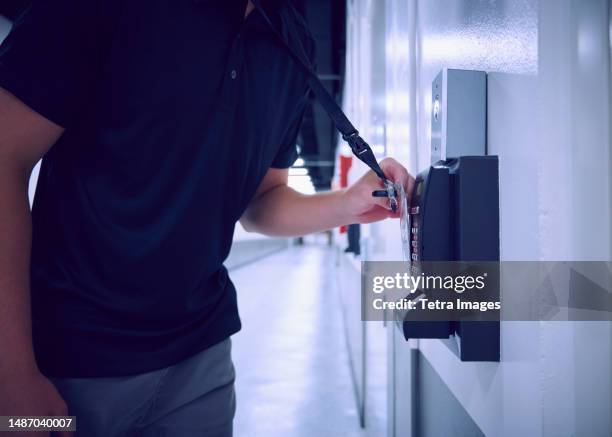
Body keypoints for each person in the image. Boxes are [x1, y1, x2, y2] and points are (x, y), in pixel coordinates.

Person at [0, 1, 412, 435]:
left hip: (202, 362)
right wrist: (11, 379)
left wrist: (346, 202)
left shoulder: (292, 40)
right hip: (68, 362)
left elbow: (261, 201)